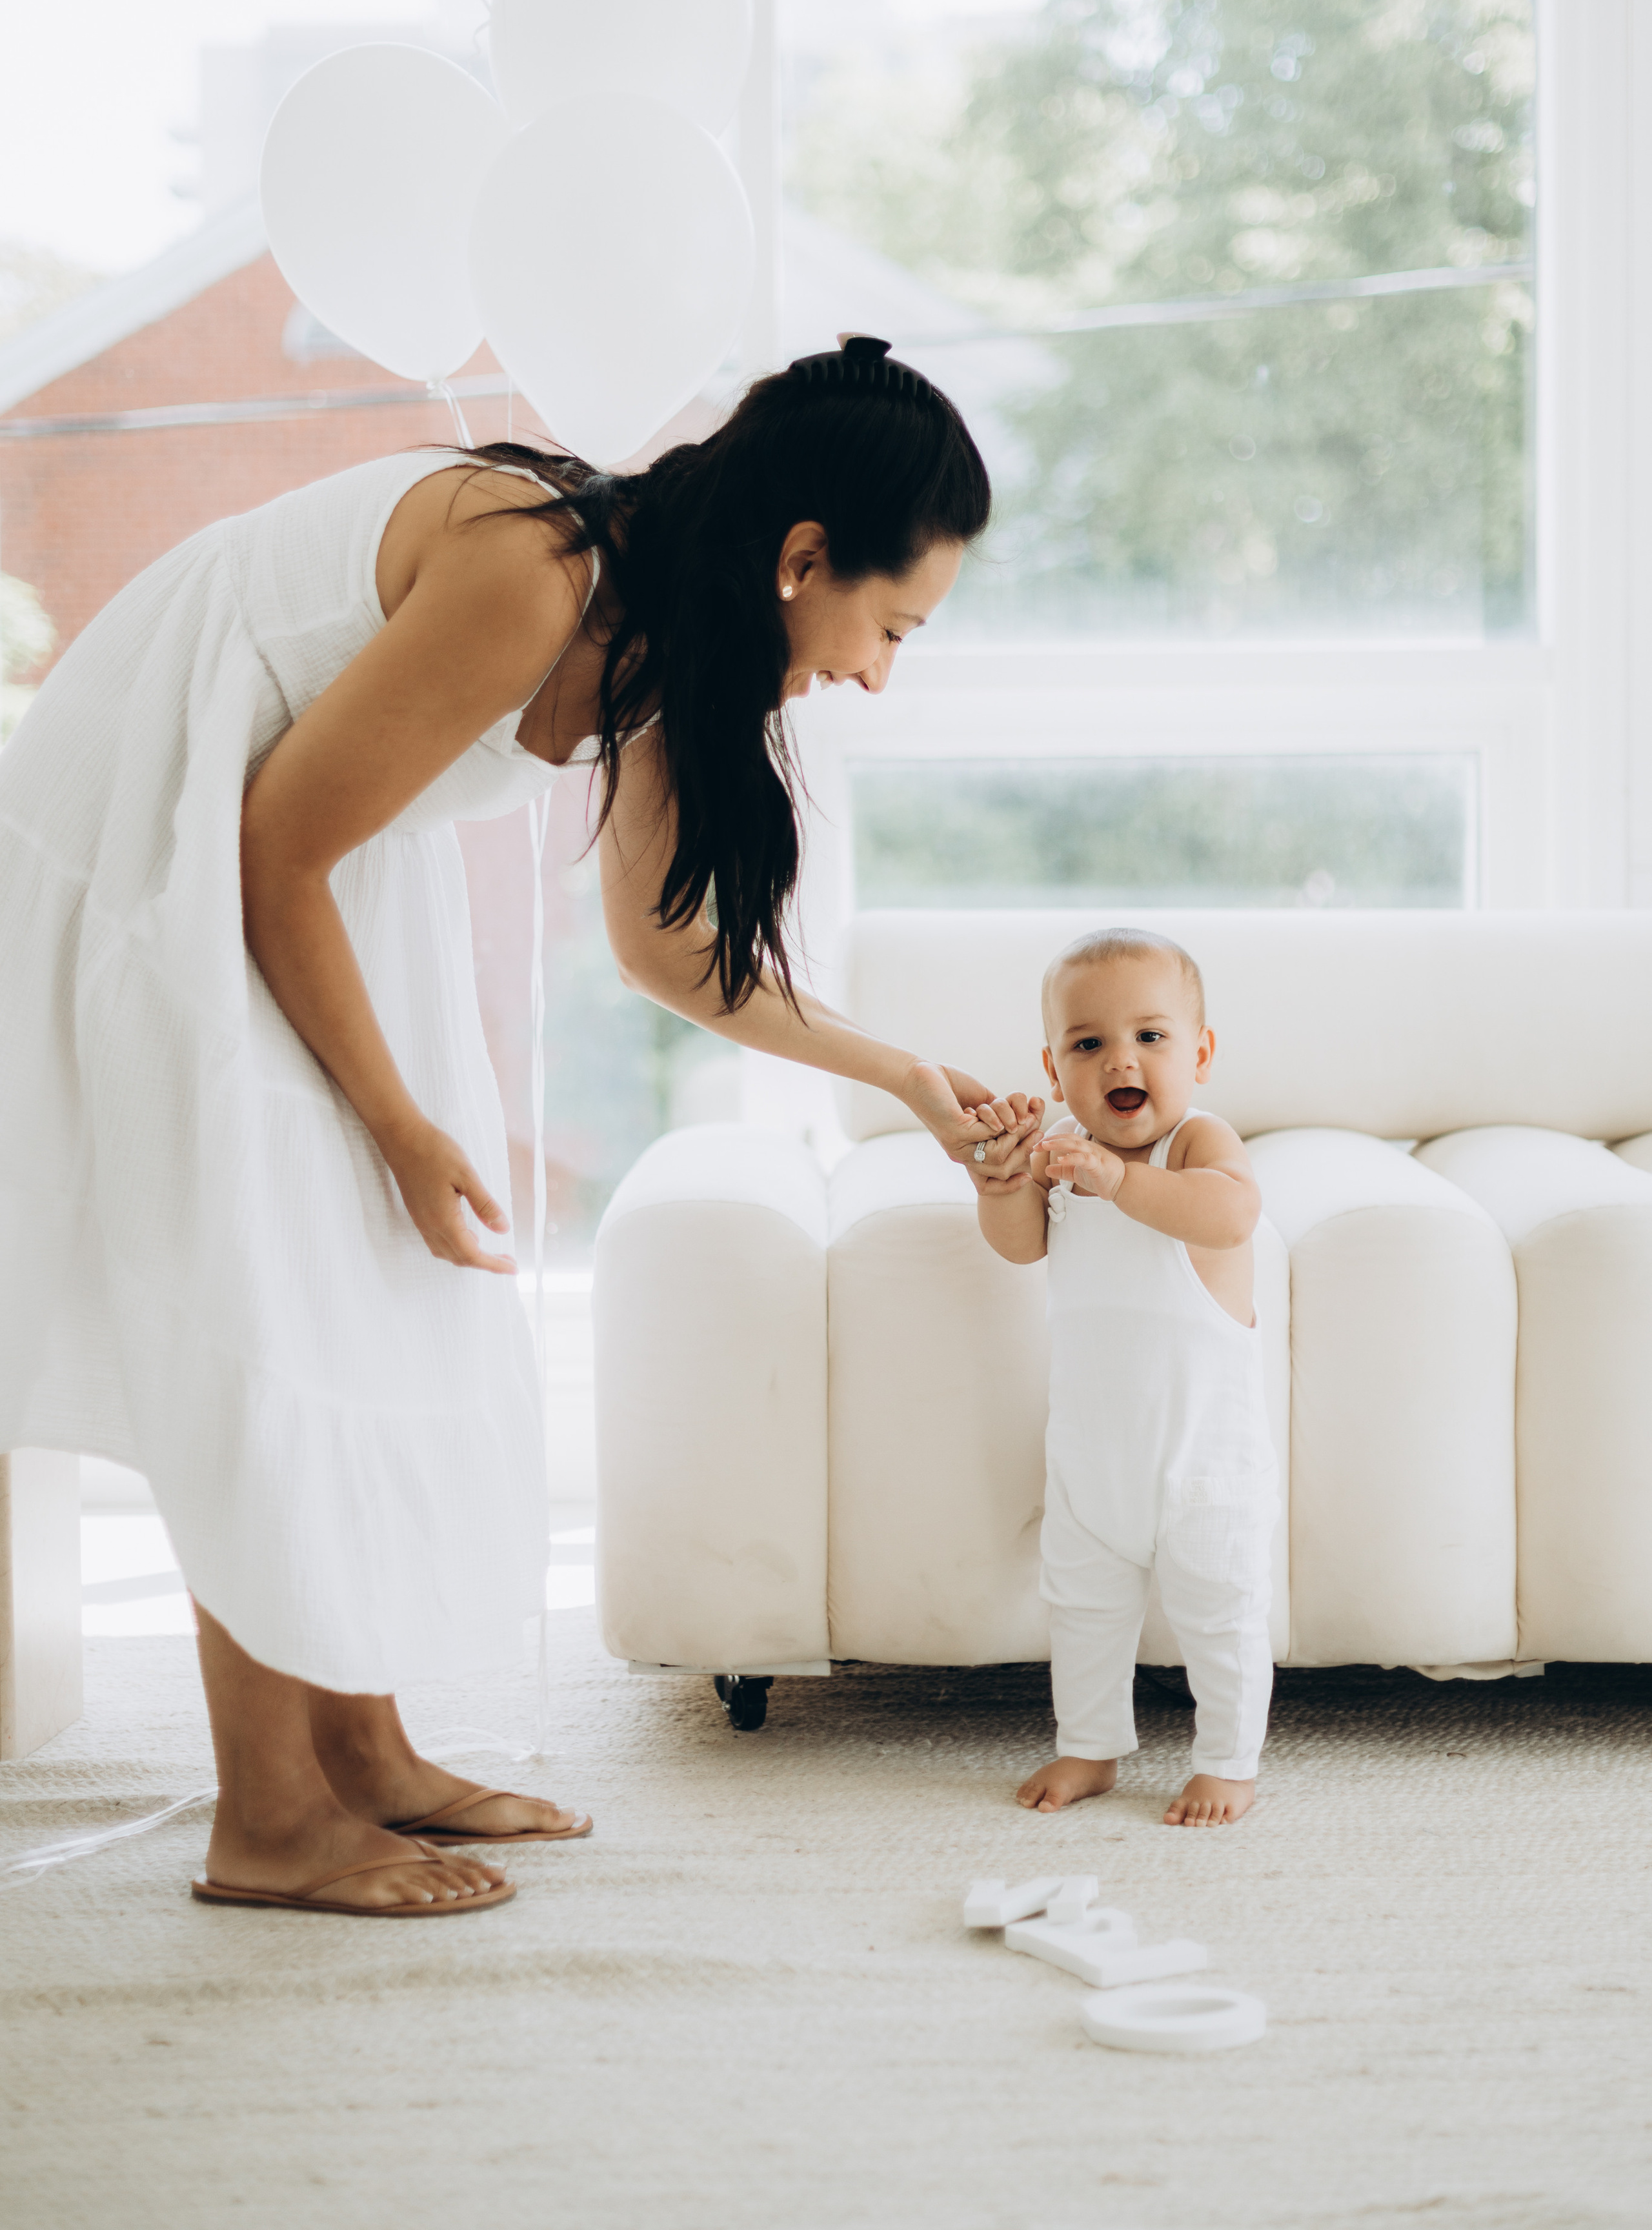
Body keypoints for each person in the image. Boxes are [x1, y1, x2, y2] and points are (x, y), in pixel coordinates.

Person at [0, 335, 1022, 1914]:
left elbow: (663, 952)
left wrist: (901, 1081)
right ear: (801, 557)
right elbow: (268, 849)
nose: (879, 673)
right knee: (266, 1301)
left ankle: (363, 1753)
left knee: (372, 1294)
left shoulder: (675, 632)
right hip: (165, 828)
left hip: (310, 859)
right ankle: (266, 1819)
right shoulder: (530, 573)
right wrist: (402, 1125)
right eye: (888, 626)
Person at [967, 927, 1278, 1827]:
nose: (1120, 1062)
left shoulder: (1194, 1145)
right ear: (1054, 1066)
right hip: (1093, 1463)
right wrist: (1000, 1183)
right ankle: (1091, 1745)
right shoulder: (1063, 1155)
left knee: (1221, 1618)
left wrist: (1117, 1180)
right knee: (1084, 1610)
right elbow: (1021, 1247)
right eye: (1088, 1043)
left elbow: (1230, 1217)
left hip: (1204, 1468)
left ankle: (1228, 1761)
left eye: (1151, 1037)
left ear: (1201, 1053)